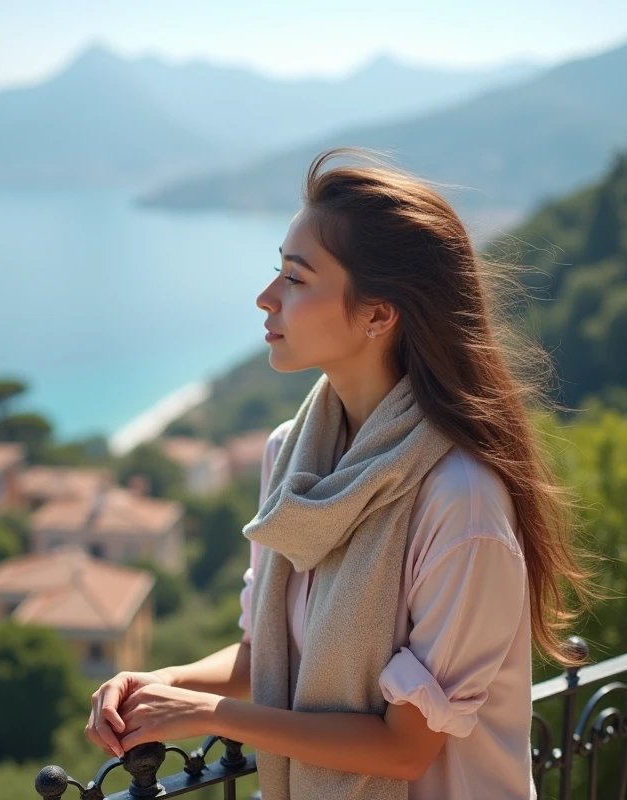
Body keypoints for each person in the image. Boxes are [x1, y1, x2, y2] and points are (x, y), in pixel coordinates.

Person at [85, 148, 594, 799]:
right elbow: (266, 656)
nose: (265, 297)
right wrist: (161, 685)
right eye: (279, 271)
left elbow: (405, 748)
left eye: (295, 280)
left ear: (379, 315)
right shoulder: (292, 460)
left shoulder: (459, 502)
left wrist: (207, 716)